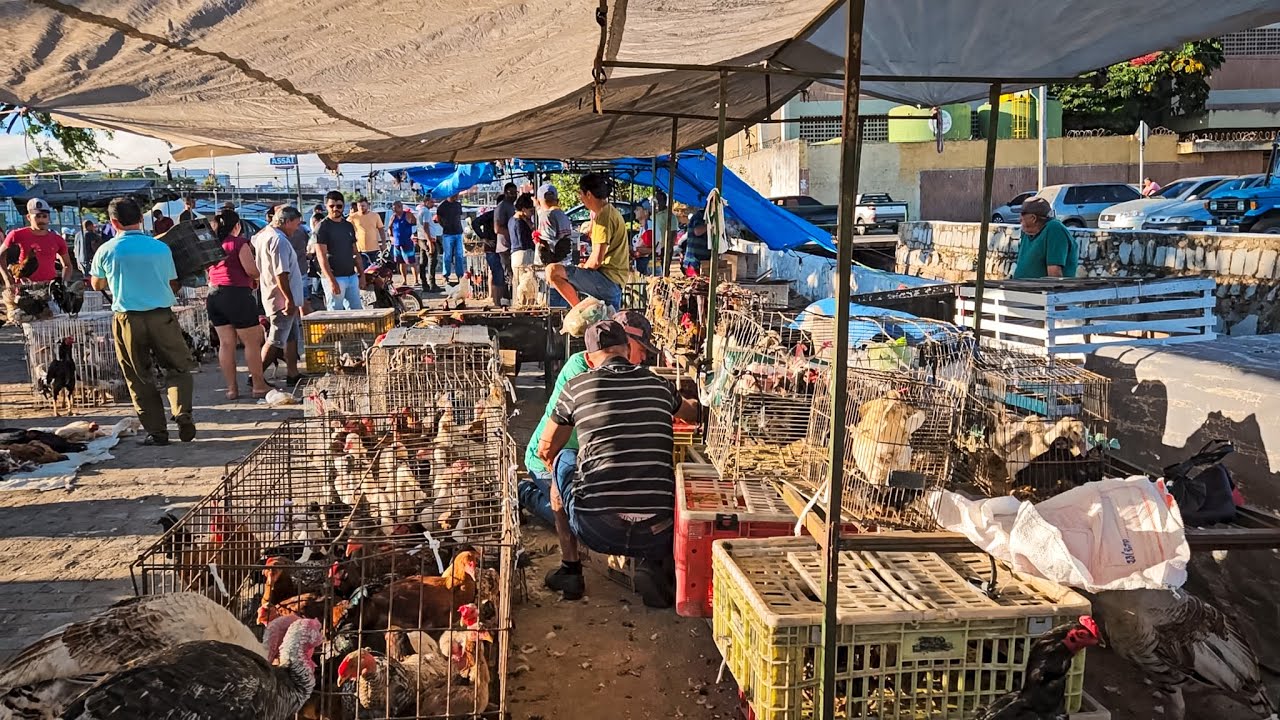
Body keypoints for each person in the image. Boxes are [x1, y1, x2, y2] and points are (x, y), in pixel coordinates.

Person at [536, 319, 695, 607]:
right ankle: (654, 563)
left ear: (589, 359)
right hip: (658, 531)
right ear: (627, 350)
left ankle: (571, 570)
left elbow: (545, 449)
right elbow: (691, 414)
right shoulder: (660, 385)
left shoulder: (576, 387)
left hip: (597, 529)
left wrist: (569, 479)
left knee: (562, 458)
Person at [90, 197, 197, 446]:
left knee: (138, 376)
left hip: (128, 319)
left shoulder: (106, 250)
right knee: (178, 368)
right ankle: (182, 412)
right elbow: (172, 281)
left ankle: (157, 432)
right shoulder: (160, 248)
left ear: (113, 222)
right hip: (162, 316)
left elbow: (97, 284)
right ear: (141, 218)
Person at [205, 207, 270, 400]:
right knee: (252, 342)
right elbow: (251, 270)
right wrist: (258, 275)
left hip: (214, 295)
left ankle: (232, 389)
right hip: (237, 294)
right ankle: (258, 386)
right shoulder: (239, 243)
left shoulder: (212, 245)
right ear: (237, 226)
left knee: (226, 344)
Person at [546, 173, 628, 309]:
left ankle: (579, 311)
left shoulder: (605, 215)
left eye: (581, 194)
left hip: (608, 282)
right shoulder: (605, 212)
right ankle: (580, 311)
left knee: (552, 271)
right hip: (610, 282)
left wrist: (582, 269)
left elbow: (596, 260)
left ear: (588, 194)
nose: (580, 198)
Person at [254, 206, 306, 386]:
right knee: (275, 339)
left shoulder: (264, 235)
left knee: (291, 337)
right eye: (296, 224)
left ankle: (293, 373)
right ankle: (256, 377)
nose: (297, 229)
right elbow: (281, 273)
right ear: (287, 221)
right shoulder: (278, 240)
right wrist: (289, 299)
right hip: (281, 299)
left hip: (276, 294)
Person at [0, 198, 73, 288]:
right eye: (38, 216)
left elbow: (67, 265)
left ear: (48, 218)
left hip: (49, 287)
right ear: (29, 217)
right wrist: (7, 279)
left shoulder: (58, 239)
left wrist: (64, 284)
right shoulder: (16, 235)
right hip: (23, 287)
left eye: (44, 216)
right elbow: (1, 255)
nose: (41, 220)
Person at [314, 191, 364, 311]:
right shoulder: (322, 227)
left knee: (357, 313)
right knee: (336, 314)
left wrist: (362, 275)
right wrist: (331, 280)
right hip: (334, 277)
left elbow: (355, 252)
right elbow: (321, 256)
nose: (335, 209)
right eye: (331, 206)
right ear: (326, 206)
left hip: (351, 276)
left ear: (343, 206)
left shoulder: (348, 225)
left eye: (339, 206)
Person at [1012, 197, 1078, 279]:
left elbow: (1054, 275)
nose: (1019, 219)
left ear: (1033, 218)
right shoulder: (1026, 232)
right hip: (1020, 286)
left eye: (1022, 215)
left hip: (1040, 287)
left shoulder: (1054, 229)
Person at [491, 183, 518, 304]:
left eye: (515, 193)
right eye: (511, 193)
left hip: (512, 246)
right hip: (505, 246)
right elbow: (497, 229)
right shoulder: (501, 207)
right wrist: (512, 234)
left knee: (513, 274)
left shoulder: (512, 206)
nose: (514, 195)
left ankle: (511, 299)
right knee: (509, 275)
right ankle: (507, 300)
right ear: (506, 193)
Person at [536, 183, 573, 266]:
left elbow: (547, 244)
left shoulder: (547, 216)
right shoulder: (563, 215)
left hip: (552, 265)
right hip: (566, 262)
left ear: (539, 201)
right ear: (557, 199)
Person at [508, 192, 536, 301]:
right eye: (531, 211)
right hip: (524, 254)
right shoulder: (520, 222)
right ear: (523, 209)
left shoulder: (511, 220)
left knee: (519, 284)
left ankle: (520, 304)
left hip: (515, 255)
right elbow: (523, 240)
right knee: (526, 284)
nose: (532, 214)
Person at [436, 193, 466, 286]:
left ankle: (460, 275)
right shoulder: (442, 206)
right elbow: (438, 218)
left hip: (458, 232)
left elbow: (459, 216)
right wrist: (444, 226)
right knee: (447, 255)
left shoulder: (458, 205)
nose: (457, 196)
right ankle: (446, 275)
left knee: (459, 255)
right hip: (447, 233)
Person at [388, 200, 419, 286]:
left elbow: (416, 223)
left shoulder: (408, 215)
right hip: (397, 243)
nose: (394, 210)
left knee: (411, 262)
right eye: (393, 209)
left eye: (395, 208)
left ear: (400, 207)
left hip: (407, 242)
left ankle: (416, 280)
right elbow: (389, 227)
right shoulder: (393, 217)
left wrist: (415, 234)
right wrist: (391, 236)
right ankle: (404, 280)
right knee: (401, 262)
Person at [349, 197, 386, 265]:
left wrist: (384, 243)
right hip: (360, 250)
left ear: (368, 205)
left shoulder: (375, 216)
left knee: (375, 269)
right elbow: (345, 226)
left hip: (374, 249)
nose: (361, 208)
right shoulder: (353, 217)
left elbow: (381, 230)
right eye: (359, 206)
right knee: (363, 269)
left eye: (363, 206)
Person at [417, 197, 443, 292]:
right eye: (431, 202)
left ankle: (424, 284)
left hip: (421, 239)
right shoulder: (426, 212)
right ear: (426, 202)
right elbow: (425, 227)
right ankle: (432, 284)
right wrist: (429, 242)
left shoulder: (421, 211)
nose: (433, 204)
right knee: (432, 262)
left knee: (423, 262)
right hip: (428, 239)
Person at [678, 211, 711, 276]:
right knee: (694, 281)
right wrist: (711, 225)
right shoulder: (699, 216)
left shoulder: (709, 217)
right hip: (694, 262)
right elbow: (697, 231)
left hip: (704, 262)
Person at [651, 189, 673, 276]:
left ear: (664, 201)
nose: (658, 203)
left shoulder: (670, 216)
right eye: (656, 201)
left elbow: (673, 233)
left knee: (664, 271)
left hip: (664, 248)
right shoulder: (653, 214)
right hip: (653, 248)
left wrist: (669, 248)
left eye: (659, 200)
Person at [632, 200, 653, 276]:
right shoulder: (644, 227)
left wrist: (634, 251)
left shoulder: (649, 228)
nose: (635, 211)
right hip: (643, 263)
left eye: (637, 209)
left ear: (646, 212)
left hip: (646, 264)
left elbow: (649, 250)